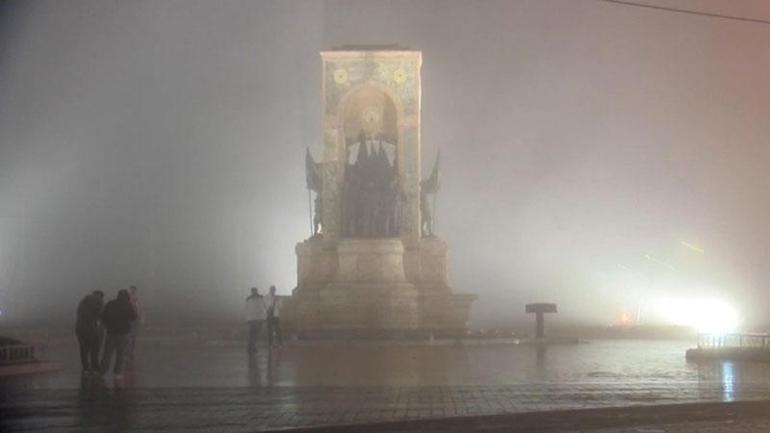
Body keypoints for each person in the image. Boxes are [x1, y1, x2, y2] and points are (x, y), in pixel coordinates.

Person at [100, 289, 137, 378]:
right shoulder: (128, 305)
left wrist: (107, 325)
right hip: (124, 333)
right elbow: (134, 316)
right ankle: (117, 373)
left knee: (107, 353)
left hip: (111, 333)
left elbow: (103, 316)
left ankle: (103, 371)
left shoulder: (110, 303)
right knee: (121, 354)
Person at [75, 290, 104, 374]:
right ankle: (95, 367)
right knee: (94, 348)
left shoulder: (83, 301)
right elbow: (101, 315)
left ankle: (85, 367)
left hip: (80, 328)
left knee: (84, 348)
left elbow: (79, 313)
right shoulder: (99, 301)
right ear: (100, 295)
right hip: (92, 329)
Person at [244, 287, 266, 354]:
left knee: (252, 334)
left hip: (252, 319)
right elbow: (263, 308)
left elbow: (247, 309)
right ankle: (252, 347)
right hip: (258, 319)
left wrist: (247, 319)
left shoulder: (248, 300)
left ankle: (250, 347)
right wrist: (264, 318)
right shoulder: (261, 299)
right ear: (256, 291)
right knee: (255, 334)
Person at [127, 285, 142, 363]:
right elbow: (138, 308)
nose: (133, 291)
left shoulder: (135, 298)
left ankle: (130, 350)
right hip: (130, 318)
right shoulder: (129, 298)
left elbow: (139, 308)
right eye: (132, 289)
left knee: (132, 335)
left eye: (134, 290)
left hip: (133, 318)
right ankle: (129, 350)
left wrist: (140, 317)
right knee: (130, 335)